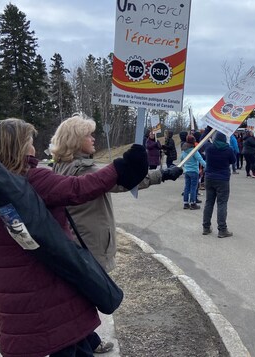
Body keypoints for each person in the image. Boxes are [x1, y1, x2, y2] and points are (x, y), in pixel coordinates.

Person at [0, 118, 148, 357]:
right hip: (49, 287)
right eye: (29, 142)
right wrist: (122, 167)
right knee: (67, 346)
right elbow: (78, 189)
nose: (33, 148)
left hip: (10, 295)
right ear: (19, 147)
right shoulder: (28, 180)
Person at [50, 115, 181, 353]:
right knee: (85, 298)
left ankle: (88, 339)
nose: (93, 138)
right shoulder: (84, 169)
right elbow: (122, 181)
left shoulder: (58, 165)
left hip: (74, 239)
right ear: (75, 140)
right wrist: (162, 174)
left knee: (77, 295)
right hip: (89, 242)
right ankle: (82, 343)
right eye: (88, 135)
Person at [202, 132, 236, 238]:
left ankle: (206, 227)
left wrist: (208, 130)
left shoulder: (209, 148)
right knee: (222, 203)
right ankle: (222, 229)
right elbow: (233, 160)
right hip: (223, 179)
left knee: (209, 203)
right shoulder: (228, 149)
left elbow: (202, 140)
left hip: (209, 178)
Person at [180, 135, 206, 210]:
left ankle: (185, 203)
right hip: (194, 171)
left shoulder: (184, 151)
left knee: (187, 187)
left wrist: (184, 167)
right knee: (193, 188)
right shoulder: (194, 151)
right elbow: (201, 160)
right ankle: (193, 203)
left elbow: (181, 160)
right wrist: (207, 166)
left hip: (187, 171)